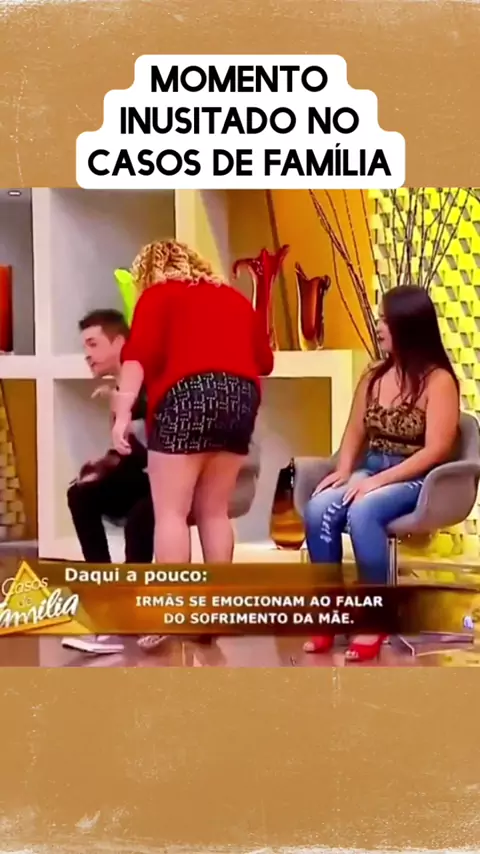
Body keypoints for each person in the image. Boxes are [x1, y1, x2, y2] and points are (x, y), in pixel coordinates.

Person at [111, 240, 274, 648]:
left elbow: (138, 355)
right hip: (240, 397)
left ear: (147, 272)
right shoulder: (234, 299)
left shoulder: (157, 296)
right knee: (214, 511)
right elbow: (264, 361)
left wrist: (122, 413)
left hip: (186, 394)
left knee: (171, 512)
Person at [302, 285, 460, 663]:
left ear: (408, 324)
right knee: (318, 508)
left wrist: (378, 482)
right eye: (379, 320)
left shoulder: (439, 381)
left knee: (364, 510)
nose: (378, 327)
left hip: (416, 477)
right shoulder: (374, 375)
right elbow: (355, 430)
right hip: (372, 466)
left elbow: (436, 450)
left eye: (386, 320)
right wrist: (344, 469)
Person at [62, 309, 155, 656]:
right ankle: (105, 599)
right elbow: (129, 453)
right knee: (81, 494)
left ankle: (130, 610)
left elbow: (156, 451)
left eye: (93, 344)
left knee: (141, 516)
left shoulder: (146, 383)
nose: (87, 354)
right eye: (84, 346)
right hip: (142, 476)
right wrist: (102, 465)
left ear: (119, 342)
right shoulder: (119, 388)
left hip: (169, 481)